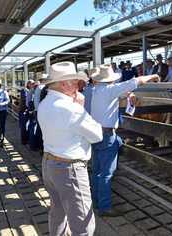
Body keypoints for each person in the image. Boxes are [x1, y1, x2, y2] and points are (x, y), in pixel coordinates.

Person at [38, 61, 103, 236]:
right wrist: (80, 106)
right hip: (69, 168)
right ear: (64, 83)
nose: (78, 85)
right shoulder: (71, 108)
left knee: (58, 212)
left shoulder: (45, 103)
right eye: (74, 81)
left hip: (49, 163)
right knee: (83, 225)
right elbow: (98, 135)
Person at [90, 64, 159, 217]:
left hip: (94, 133)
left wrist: (127, 95)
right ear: (110, 80)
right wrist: (152, 76)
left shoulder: (95, 90)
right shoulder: (110, 90)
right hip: (106, 134)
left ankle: (96, 201)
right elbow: (137, 81)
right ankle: (105, 207)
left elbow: (115, 95)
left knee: (97, 169)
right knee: (106, 173)